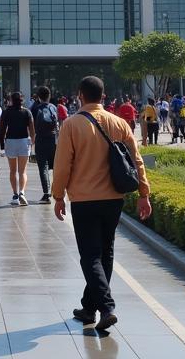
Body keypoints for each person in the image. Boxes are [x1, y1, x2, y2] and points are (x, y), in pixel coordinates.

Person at [53, 76, 152, 331]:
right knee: (105, 251)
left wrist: (57, 196)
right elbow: (136, 160)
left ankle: (106, 307)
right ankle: (89, 307)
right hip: (113, 199)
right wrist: (144, 193)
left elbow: (63, 164)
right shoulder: (119, 122)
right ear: (103, 96)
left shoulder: (71, 124)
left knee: (90, 255)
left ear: (80, 95)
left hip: (84, 199)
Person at [0, 91, 35, 206]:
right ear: (22, 100)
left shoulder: (6, 112)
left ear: (11, 100)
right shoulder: (27, 112)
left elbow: (2, 130)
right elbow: (32, 129)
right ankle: (22, 193)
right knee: (22, 171)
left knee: (13, 171)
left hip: (10, 141)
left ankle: (15, 196)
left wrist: (2, 146)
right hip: (24, 141)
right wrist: (33, 142)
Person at [30, 86, 59, 204]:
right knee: (55, 166)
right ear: (49, 96)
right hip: (53, 139)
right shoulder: (53, 107)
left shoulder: (35, 108)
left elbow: (31, 124)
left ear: (38, 97)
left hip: (40, 139)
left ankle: (46, 194)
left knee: (43, 167)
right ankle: (58, 191)